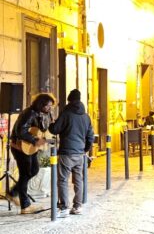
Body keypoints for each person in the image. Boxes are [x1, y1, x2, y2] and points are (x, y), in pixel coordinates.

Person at [6, 93, 55, 214]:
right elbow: (21, 131)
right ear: (41, 104)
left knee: (34, 170)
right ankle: (25, 206)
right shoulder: (30, 113)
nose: (50, 108)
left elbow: (39, 130)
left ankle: (13, 193)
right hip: (21, 147)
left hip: (29, 148)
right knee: (26, 173)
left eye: (51, 106)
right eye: (48, 106)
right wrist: (35, 140)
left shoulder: (39, 114)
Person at [49, 89, 94, 217]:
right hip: (80, 154)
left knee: (63, 180)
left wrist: (52, 123)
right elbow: (90, 136)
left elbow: (55, 129)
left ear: (69, 100)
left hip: (66, 153)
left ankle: (64, 208)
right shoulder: (86, 117)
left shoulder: (66, 113)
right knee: (78, 180)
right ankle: (77, 206)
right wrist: (84, 150)